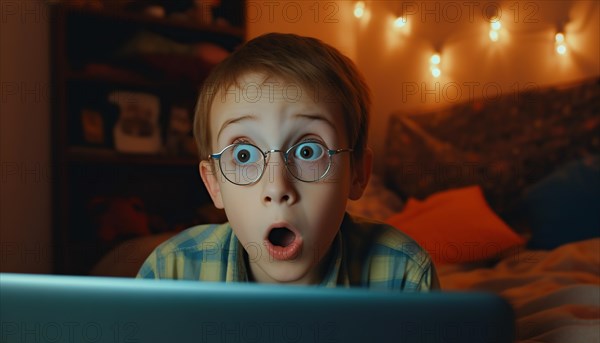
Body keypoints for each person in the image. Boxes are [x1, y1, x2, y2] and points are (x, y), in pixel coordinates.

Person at [137, 33, 439, 290]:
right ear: (214, 184)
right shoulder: (171, 272)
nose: (277, 187)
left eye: (308, 151)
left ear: (358, 173)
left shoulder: (404, 276)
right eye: (244, 155)